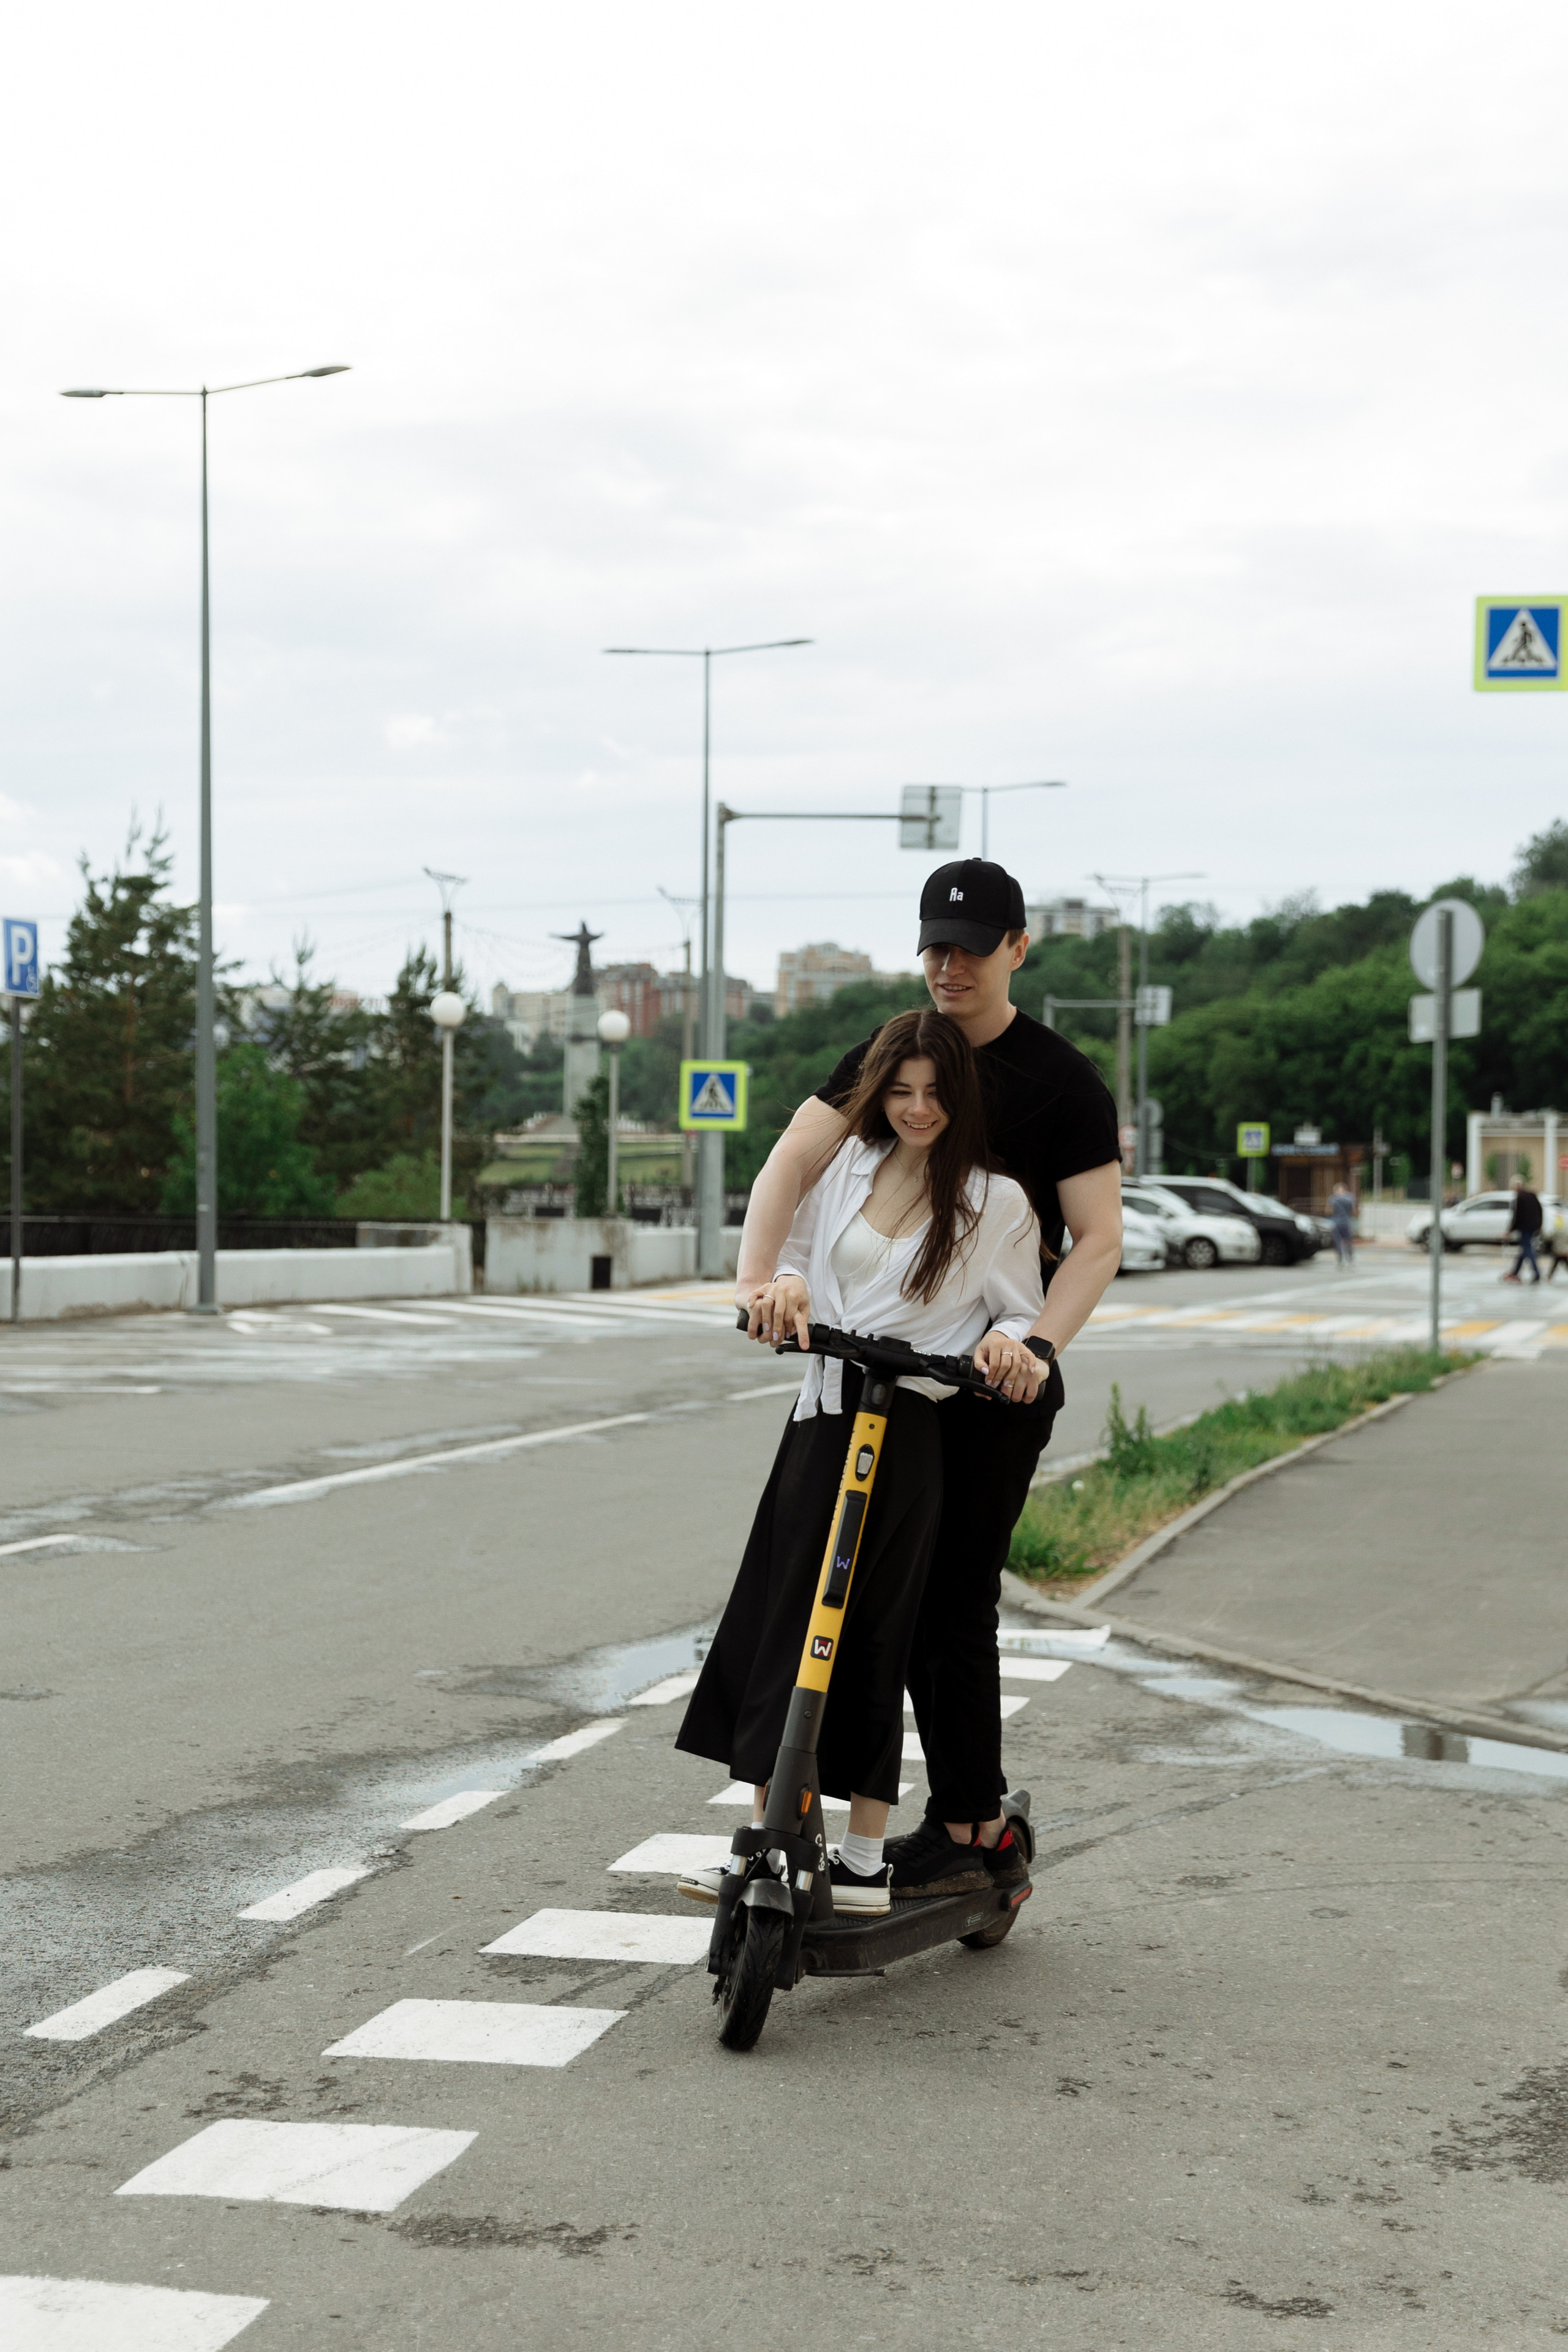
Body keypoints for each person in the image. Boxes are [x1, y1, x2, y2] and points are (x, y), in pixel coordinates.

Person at [733, 859, 1122, 1899]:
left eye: (971, 948)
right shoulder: (893, 1056)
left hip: (992, 1384)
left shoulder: (1063, 1080)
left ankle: (971, 1828)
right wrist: (762, 1277)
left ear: (1016, 951)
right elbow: (792, 1163)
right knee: (854, 1596)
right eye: (935, 947)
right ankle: (829, 1821)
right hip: (880, 1383)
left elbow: (1095, 1242)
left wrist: (1036, 1346)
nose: (948, 966)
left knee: (952, 1603)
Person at [675, 1008, 1045, 1915]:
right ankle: (764, 1840)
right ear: (878, 1092)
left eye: (935, 1093)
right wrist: (786, 1284)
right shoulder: (845, 1166)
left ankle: (868, 1859)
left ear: (961, 1097)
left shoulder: (997, 1201)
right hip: (824, 1413)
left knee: (876, 1631)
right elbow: (793, 1257)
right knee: (783, 1623)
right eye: (901, 1091)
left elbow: (1018, 1310)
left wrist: (1011, 1349)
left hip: (909, 1428)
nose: (918, 1110)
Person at [1504, 1175, 1544, 1283]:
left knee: (1528, 1249)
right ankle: (1515, 1272)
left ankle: (1537, 1273)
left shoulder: (1520, 1198)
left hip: (1525, 1228)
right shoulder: (1532, 1195)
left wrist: (1509, 1230)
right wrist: (1540, 1224)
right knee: (1524, 1251)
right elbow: (1540, 1210)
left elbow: (1517, 1216)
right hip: (1533, 1227)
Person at [1329, 1180, 1357, 1269]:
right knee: (1348, 1240)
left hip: (1336, 1223)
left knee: (1338, 1241)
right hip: (1347, 1222)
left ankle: (1340, 1259)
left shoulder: (1333, 1198)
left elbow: (1330, 1211)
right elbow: (1354, 1211)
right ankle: (1350, 1256)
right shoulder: (1350, 1198)